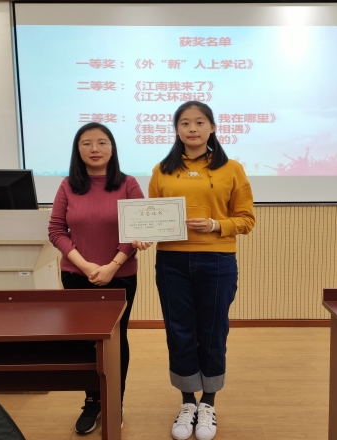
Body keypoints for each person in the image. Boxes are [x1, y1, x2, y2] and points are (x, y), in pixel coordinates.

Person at [148, 101, 255, 440]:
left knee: (212, 331)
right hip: (172, 261)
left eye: (199, 122)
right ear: (176, 129)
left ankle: (208, 402)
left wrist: (215, 225)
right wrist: (142, 234)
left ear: (212, 128)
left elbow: (246, 220)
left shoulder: (232, 169)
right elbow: (151, 217)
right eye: (184, 123)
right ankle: (186, 401)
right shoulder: (162, 170)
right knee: (179, 331)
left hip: (217, 260)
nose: (192, 129)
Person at [48, 122, 150, 435]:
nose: (95, 149)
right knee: (85, 341)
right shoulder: (68, 185)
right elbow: (56, 230)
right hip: (76, 275)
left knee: (116, 339)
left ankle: (114, 401)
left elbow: (138, 229)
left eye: (102, 142)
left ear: (112, 147)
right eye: (87, 143)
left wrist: (111, 267)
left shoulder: (128, 184)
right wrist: (86, 265)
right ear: (77, 149)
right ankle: (92, 401)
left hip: (121, 275)